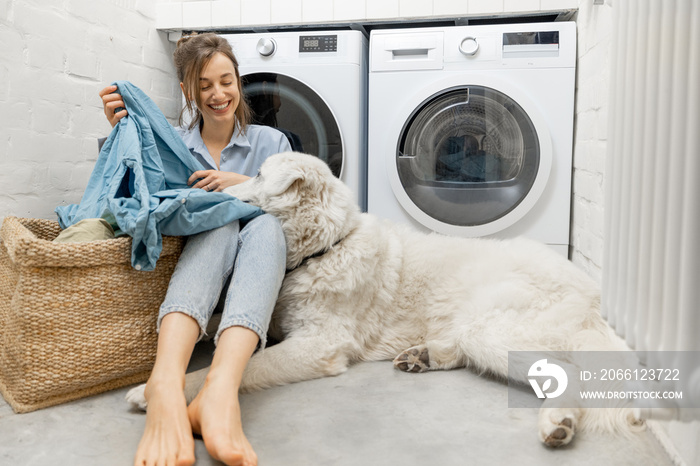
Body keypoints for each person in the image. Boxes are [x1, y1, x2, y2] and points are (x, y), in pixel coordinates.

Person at [100, 33, 291, 466]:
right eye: (204, 85)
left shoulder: (271, 144)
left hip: (254, 285)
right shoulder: (171, 146)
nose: (218, 94)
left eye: (226, 81)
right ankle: (165, 384)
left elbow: (301, 205)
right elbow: (137, 200)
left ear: (238, 82)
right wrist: (124, 135)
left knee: (268, 228)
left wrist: (244, 186)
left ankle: (220, 390)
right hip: (195, 280)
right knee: (219, 226)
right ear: (187, 90)